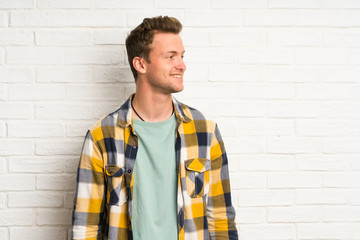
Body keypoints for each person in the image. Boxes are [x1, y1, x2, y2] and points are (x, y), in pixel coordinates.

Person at [72, 16, 238, 240]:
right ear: (141, 64)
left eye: (181, 56)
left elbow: (221, 218)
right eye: (170, 57)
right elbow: (85, 227)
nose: (182, 65)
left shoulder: (205, 132)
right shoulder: (102, 136)